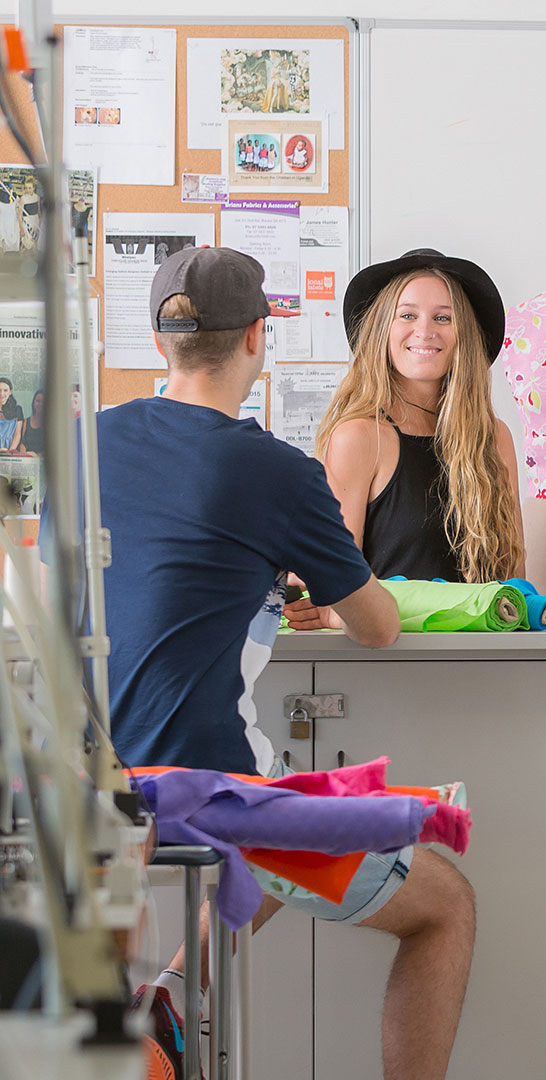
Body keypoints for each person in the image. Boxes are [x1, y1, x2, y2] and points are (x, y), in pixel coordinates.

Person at [103, 248, 474, 1080]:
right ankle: (165, 1010)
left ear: (159, 338)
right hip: (209, 795)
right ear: (258, 339)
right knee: (444, 904)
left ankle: (165, 1008)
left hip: (93, 788)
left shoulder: (89, 439)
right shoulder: (275, 468)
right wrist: (294, 567)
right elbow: (375, 625)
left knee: (294, 796)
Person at [296, 249, 523, 625]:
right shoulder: (359, 436)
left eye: (442, 317)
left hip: (485, 657)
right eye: (407, 315)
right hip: (386, 656)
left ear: (463, 334)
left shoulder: (495, 438)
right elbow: (336, 591)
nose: (425, 330)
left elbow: (513, 585)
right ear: (382, 329)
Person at [20, 389, 44, 455]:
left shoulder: (50, 424)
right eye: (37, 401)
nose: (40, 404)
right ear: (33, 403)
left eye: (43, 401)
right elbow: (23, 443)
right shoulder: (26, 421)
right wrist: (24, 454)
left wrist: (35, 456)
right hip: (27, 458)